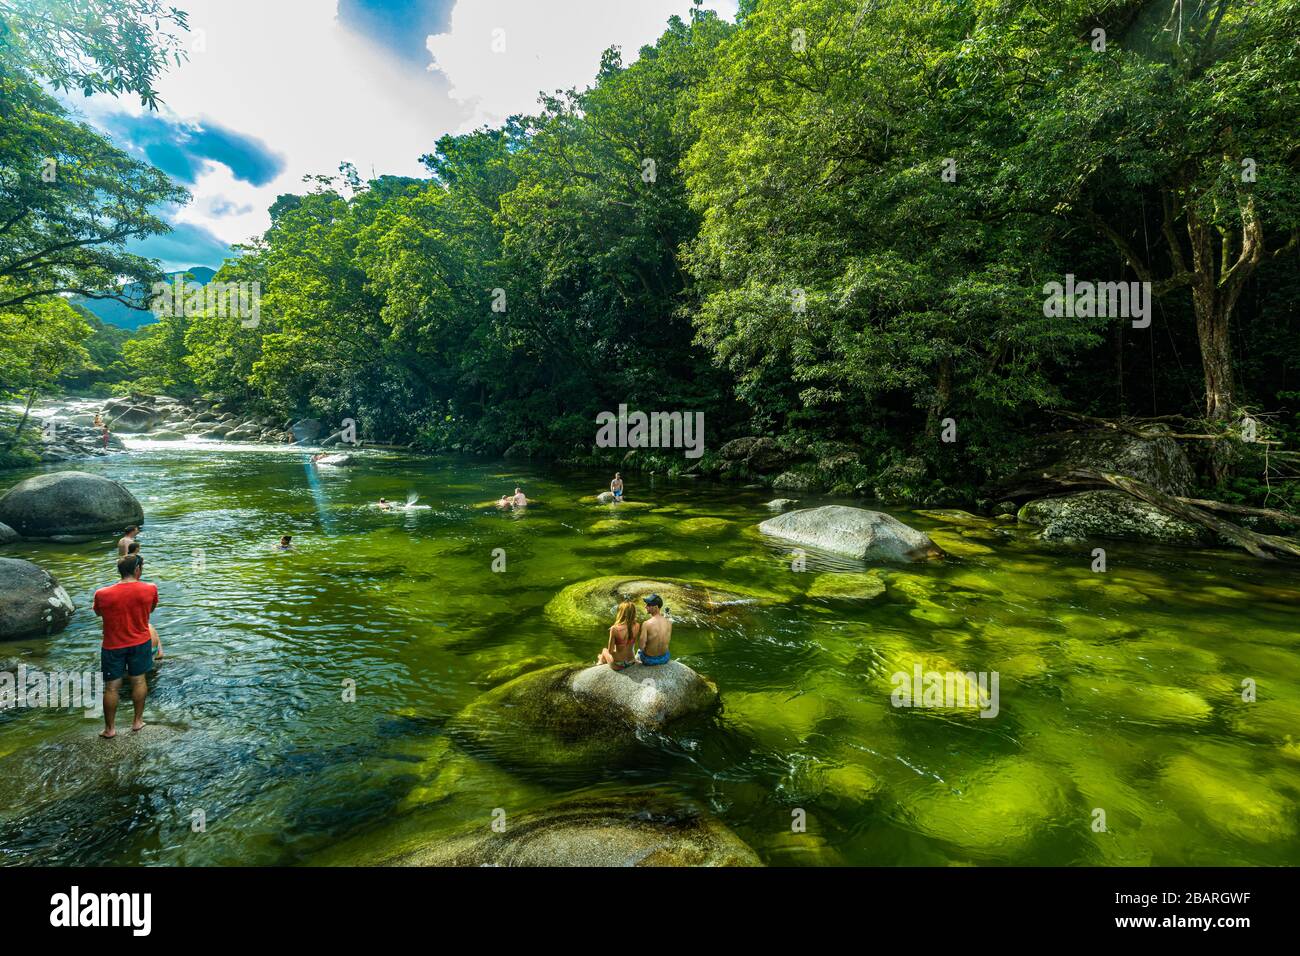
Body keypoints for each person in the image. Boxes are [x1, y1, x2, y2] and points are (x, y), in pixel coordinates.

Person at [93, 554, 159, 738]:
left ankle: (110, 729)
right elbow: (151, 609)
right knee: (138, 681)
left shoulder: (102, 593)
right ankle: (137, 722)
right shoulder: (150, 588)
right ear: (137, 569)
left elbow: (98, 613)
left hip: (112, 644)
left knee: (111, 687)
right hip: (140, 642)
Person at [597, 601, 640, 671]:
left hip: (619, 664)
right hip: (631, 661)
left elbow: (610, 651)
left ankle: (600, 661)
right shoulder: (637, 625)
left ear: (622, 613)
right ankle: (601, 659)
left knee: (604, 650)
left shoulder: (614, 629)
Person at [637, 593, 672, 665]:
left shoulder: (646, 624)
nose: (645, 607)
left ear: (656, 607)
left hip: (649, 660)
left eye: (648, 605)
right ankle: (666, 614)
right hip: (665, 658)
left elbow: (641, 646)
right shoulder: (669, 622)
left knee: (639, 651)